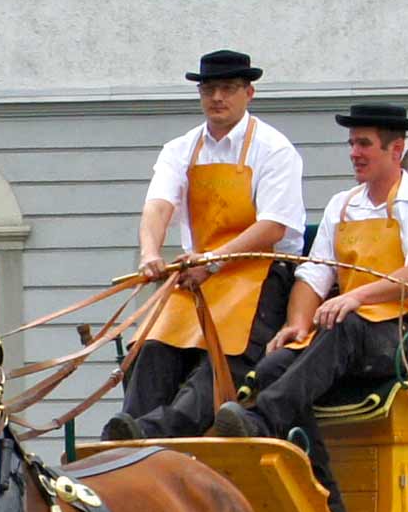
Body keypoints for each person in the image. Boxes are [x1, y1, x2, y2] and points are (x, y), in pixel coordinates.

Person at [211, 102, 408, 512]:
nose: (354, 153)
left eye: (364, 144)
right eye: (351, 144)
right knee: (275, 363)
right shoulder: (341, 206)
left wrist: (357, 296)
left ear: (395, 149)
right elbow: (313, 275)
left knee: (345, 325)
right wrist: (297, 323)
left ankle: (263, 418)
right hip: (352, 334)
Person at [99, 49, 306, 442]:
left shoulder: (274, 149)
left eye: (228, 88)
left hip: (259, 275)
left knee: (222, 361)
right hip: (197, 277)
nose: (217, 98)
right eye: (209, 89)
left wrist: (212, 260)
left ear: (249, 93)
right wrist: (150, 254)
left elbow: (273, 226)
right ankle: (127, 433)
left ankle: (148, 433)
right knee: (151, 348)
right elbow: (158, 205)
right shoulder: (181, 149)